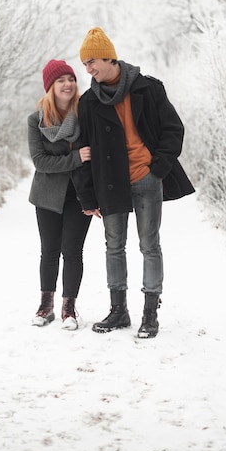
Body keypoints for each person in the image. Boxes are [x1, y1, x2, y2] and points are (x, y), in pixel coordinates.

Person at [75, 27, 195, 338]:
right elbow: (84, 151)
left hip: (146, 178)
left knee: (149, 245)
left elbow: (173, 130)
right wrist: (88, 198)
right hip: (110, 183)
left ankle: (149, 314)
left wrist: (158, 168)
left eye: (91, 62)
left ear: (109, 57)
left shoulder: (148, 89)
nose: (87, 69)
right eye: (85, 64)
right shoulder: (89, 102)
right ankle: (119, 311)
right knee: (113, 246)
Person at [28, 59, 92, 331]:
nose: (68, 84)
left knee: (73, 251)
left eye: (71, 79)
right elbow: (40, 162)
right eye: (61, 80)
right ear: (50, 87)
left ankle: (69, 309)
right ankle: (46, 305)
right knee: (49, 251)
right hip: (47, 197)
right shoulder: (37, 120)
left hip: (79, 195)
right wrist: (76, 157)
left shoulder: (85, 114)